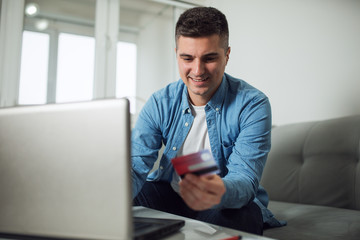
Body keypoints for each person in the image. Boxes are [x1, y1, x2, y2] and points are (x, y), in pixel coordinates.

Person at [132, 6, 283, 235]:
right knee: (131, 198)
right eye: (187, 58)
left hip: (222, 202)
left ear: (227, 55)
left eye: (209, 58)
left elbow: (244, 178)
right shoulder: (160, 102)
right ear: (177, 55)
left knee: (244, 214)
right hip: (169, 196)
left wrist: (217, 190)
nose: (198, 70)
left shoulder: (253, 105)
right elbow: (135, 167)